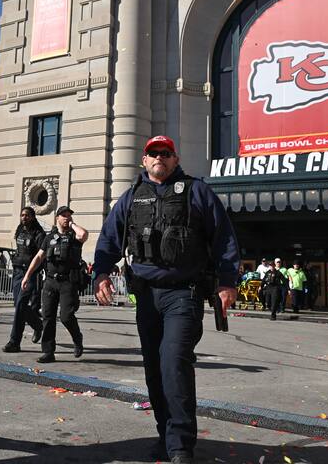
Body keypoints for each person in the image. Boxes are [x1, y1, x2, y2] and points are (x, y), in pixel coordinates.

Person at [93, 135, 239, 464]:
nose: (159, 157)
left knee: (174, 362)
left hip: (183, 294)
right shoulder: (130, 198)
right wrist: (101, 273)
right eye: (153, 153)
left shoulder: (197, 191)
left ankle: (181, 445)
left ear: (175, 159)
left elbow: (224, 238)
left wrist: (228, 282)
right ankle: (166, 434)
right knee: (154, 369)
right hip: (145, 297)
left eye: (166, 153)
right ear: (144, 161)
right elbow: (108, 241)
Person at [21, 206, 88, 364]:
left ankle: (77, 338)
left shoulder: (73, 237)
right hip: (50, 281)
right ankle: (48, 352)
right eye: (63, 215)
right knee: (48, 317)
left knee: (66, 316)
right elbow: (38, 257)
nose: (66, 217)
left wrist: (71, 224)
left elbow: (84, 234)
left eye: (69, 215)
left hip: (68, 282)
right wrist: (27, 276)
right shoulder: (49, 237)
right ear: (57, 218)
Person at [2, 207, 45, 353]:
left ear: (33, 217)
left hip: (30, 273)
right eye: (22, 215)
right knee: (17, 304)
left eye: (27, 215)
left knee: (20, 304)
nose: (24, 217)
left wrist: (34, 273)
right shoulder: (20, 230)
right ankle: (38, 325)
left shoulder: (39, 234)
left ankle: (14, 341)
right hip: (17, 271)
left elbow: (41, 256)